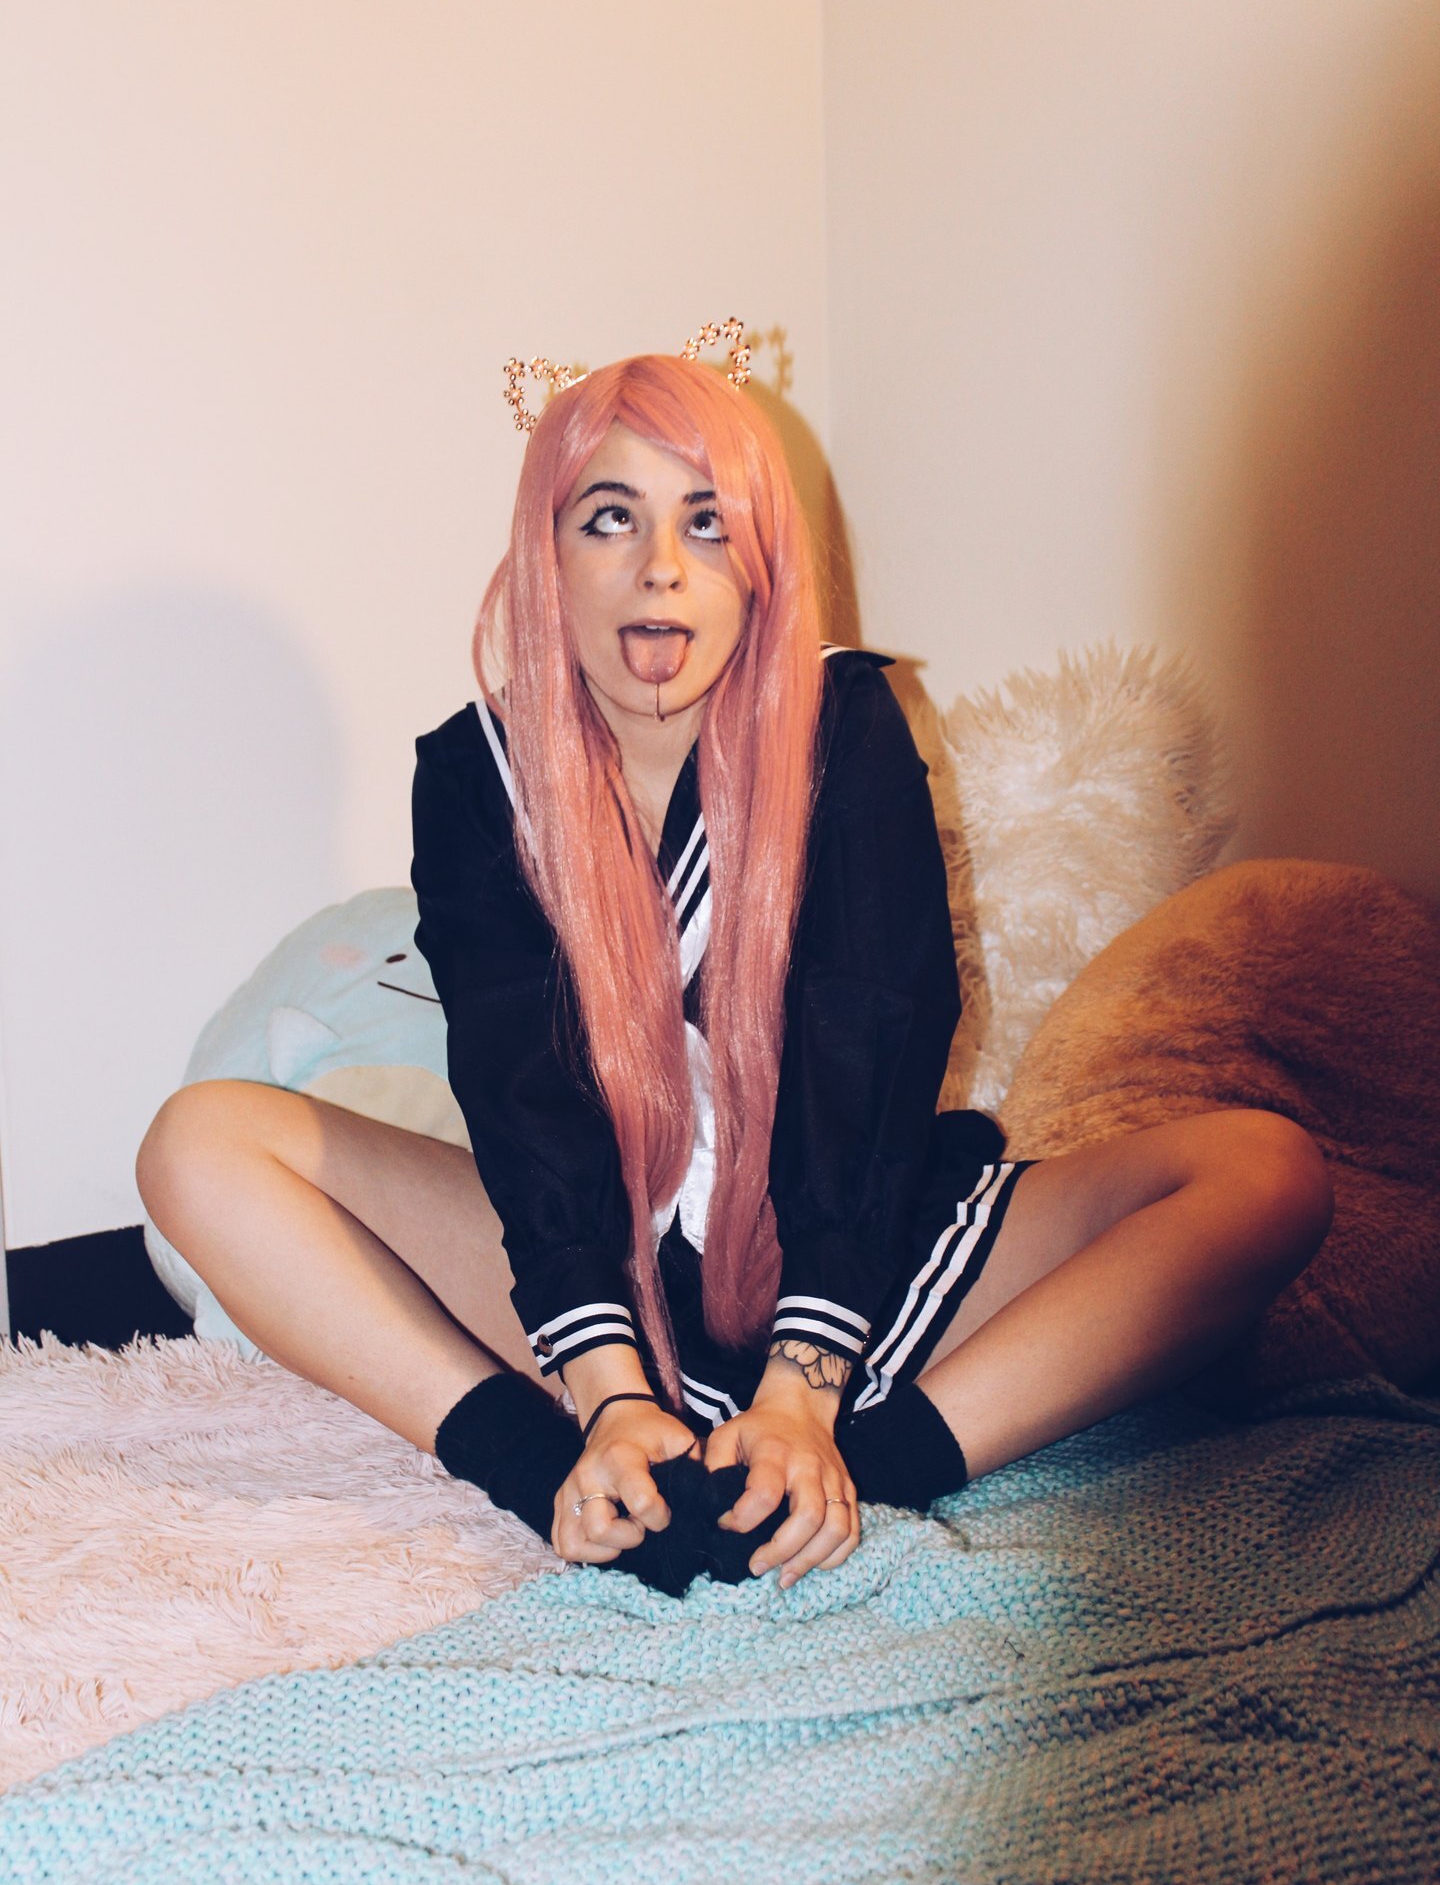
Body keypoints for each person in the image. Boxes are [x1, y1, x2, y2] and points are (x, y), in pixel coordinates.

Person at [136, 336, 1335, 1602]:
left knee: (1265, 1171)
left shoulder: (845, 727)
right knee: (198, 1142)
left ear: (761, 564)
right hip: (601, 1280)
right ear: (548, 556)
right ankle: (559, 1476)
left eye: (707, 522)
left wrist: (804, 1394)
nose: (660, 564)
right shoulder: (478, 778)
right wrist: (608, 1397)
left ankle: (855, 1472)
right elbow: (522, 1096)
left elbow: (870, 1050)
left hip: (861, 1261)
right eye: (611, 517)